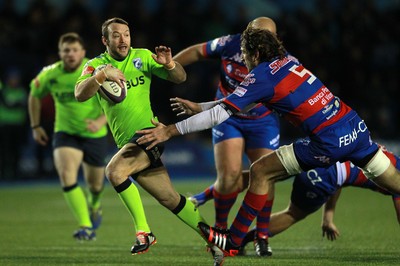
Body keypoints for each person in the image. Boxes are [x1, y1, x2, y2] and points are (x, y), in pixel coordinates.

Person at [136, 27, 400, 257]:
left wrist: (169, 130)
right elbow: (237, 102)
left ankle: (233, 239)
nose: (245, 60)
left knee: (261, 171)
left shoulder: (262, 75)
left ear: (257, 54)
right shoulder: (287, 61)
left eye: (246, 54)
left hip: (328, 141)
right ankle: (242, 237)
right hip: (354, 126)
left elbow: (221, 115)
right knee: (396, 185)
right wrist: (200, 106)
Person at [74, 17, 223, 265]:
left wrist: (170, 64)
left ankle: (144, 232)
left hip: (149, 134)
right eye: (116, 35)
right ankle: (216, 240)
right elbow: (80, 93)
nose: (123, 40)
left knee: (114, 171)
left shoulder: (142, 56)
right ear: (105, 40)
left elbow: (180, 78)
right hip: (128, 143)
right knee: (170, 199)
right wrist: (101, 76)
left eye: (127, 34)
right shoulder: (96, 65)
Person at [172, 16, 280, 257]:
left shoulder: (279, 60)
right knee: (229, 176)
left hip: (262, 122)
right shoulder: (230, 44)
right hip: (227, 117)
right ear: (246, 34)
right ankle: (221, 228)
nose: (262, 41)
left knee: (266, 175)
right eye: (257, 35)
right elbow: (198, 51)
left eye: (268, 37)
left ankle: (261, 235)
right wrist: (170, 66)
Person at [236, 144, 400, 252]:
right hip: (323, 175)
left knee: (264, 174)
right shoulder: (397, 175)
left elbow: (340, 180)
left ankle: (225, 185)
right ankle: (238, 239)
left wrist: (328, 218)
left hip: (317, 157)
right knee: (293, 214)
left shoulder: (390, 158)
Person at [28, 32, 108, 240]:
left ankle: (95, 204)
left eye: (74, 50)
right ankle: (85, 226)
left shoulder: (94, 70)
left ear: (82, 52)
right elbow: (34, 96)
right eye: (66, 50)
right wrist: (36, 125)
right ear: (60, 53)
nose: (70, 54)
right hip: (65, 133)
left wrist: (100, 121)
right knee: (66, 175)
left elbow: (116, 99)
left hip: (94, 133)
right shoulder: (50, 74)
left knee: (95, 185)